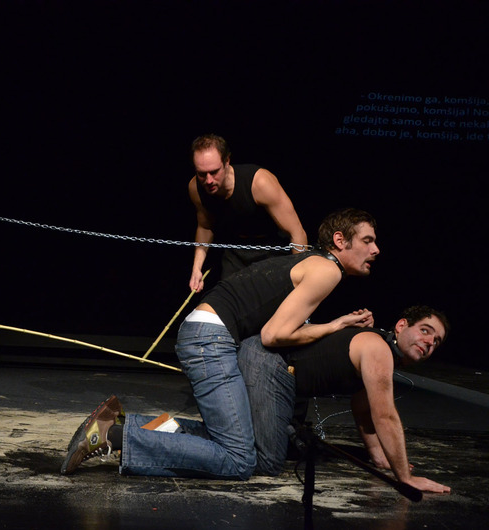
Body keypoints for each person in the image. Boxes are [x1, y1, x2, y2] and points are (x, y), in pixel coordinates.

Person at [61, 208, 379, 478]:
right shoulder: (328, 270)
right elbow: (274, 334)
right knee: (240, 460)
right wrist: (334, 326)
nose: (376, 250)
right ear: (340, 240)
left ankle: (126, 423)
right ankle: (113, 436)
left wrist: (335, 325)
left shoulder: (311, 262)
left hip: (205, 333)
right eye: (367, 240)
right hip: (210, 339)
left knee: (230, 438)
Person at [237, 306, 451, 493]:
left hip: (278, 374)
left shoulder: (381, 349)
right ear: (401, 325)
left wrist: (378, 456)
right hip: (267, 361)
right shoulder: (378, 349)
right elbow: (385, 416)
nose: (429, 342)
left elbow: (363, 409)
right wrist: (406, 478)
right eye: (425, 331)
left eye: (436, 341)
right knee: (268, 462)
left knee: (292, 449)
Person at [188, 134, 308, 291]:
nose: (208, 180)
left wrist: (299, 281)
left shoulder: (259, 183)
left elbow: (296, 232)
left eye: (214, 172)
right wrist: (196, 269)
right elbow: (205, 227)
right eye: (202, 174)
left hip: (272, 250)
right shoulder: (195, 188)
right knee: (226, 298)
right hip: (235, 251)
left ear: (227, 161)